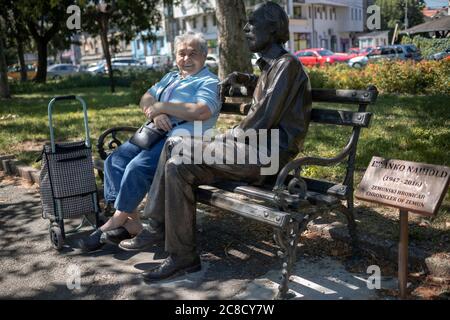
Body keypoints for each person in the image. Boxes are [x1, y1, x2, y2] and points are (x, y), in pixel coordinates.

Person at [118, 1, 313, 282]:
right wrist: (244, 79)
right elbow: (266, 91)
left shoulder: (288, 66)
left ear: (273, 28)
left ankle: (163, 235)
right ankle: (178, 251)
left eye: (252, 23)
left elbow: (262, 120)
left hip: (268, 156)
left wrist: (225, 136)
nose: (245, 28)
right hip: (252, 149)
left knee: (177, 154)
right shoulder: (273, 67)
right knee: (176, 157)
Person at [78, 32, 221, 252]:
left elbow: (202, 111)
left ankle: (115, 222)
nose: (186, 58)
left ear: (205, 54)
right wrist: (154, 114)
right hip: (154, 132)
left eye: (193, 53)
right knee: (115, 160)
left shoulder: (208, 81)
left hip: (182, 140)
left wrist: (162, 107)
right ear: (175, 56)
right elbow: (146, 97)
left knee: (137, 167)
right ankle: (132, 220)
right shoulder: (172, 77)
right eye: (181, 53)